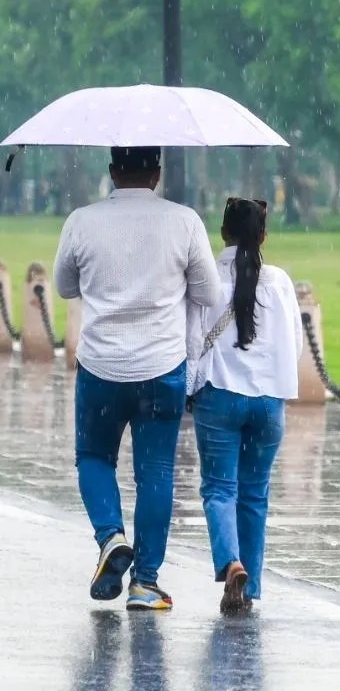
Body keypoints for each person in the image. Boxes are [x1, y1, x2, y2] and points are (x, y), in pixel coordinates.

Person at [54, 146, 222, 611]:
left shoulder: (81, 221)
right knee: (156, 473)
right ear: (157, 173)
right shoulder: (184, 221)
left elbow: (65, 286)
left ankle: (110, 537)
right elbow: (209, 292)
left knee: (93, 456)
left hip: (101, 367)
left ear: (112, 172)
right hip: (160, 368)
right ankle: (146, 582)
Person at [187, 198, 302, 613]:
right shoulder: (281, 282)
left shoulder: (206, 280)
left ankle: (230, 561)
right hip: (269, 402)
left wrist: (188, 389)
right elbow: (297, 342)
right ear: (263, 235)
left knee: (219, 488)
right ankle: (248, 588)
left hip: (220, 395)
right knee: (255, 495)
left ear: (223, 233)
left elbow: (192, 339)